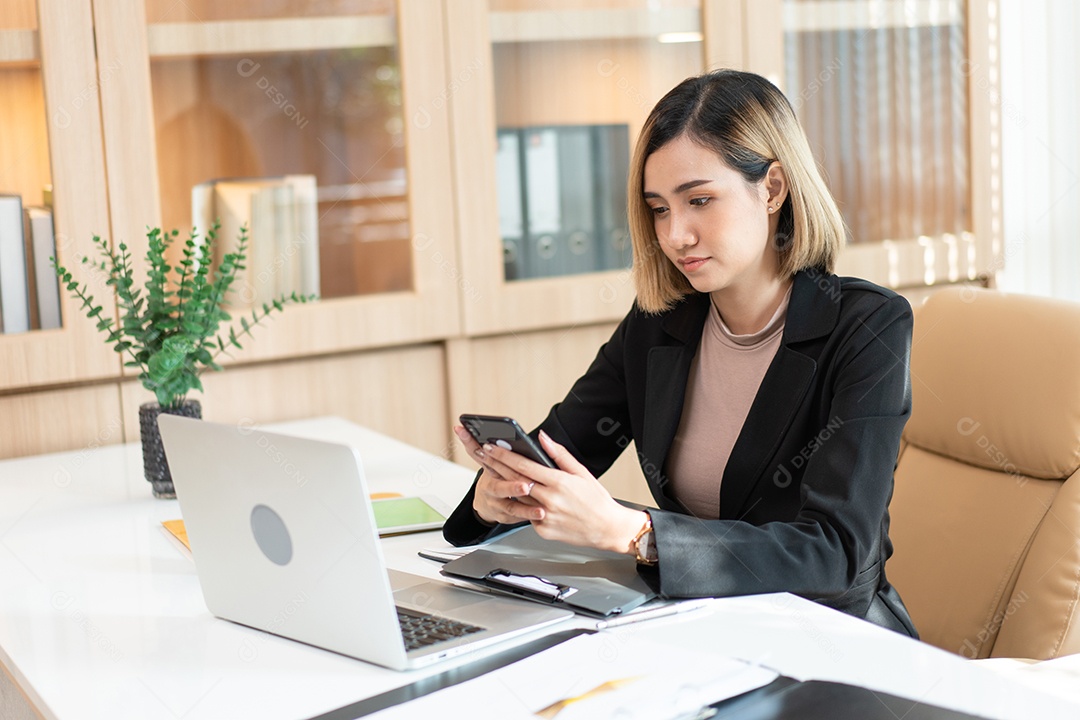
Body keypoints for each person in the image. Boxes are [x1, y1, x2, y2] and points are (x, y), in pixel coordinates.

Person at [443, 69, 918, 637]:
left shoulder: (866, 327)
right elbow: (562, 453)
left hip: (828, 637)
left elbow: (836, 554)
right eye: (660, 209)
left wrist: (635, 533)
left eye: (698, 200)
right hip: (701, 624)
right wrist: (501, 499)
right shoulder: (660, 323)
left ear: (772, 189)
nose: (675, 235)